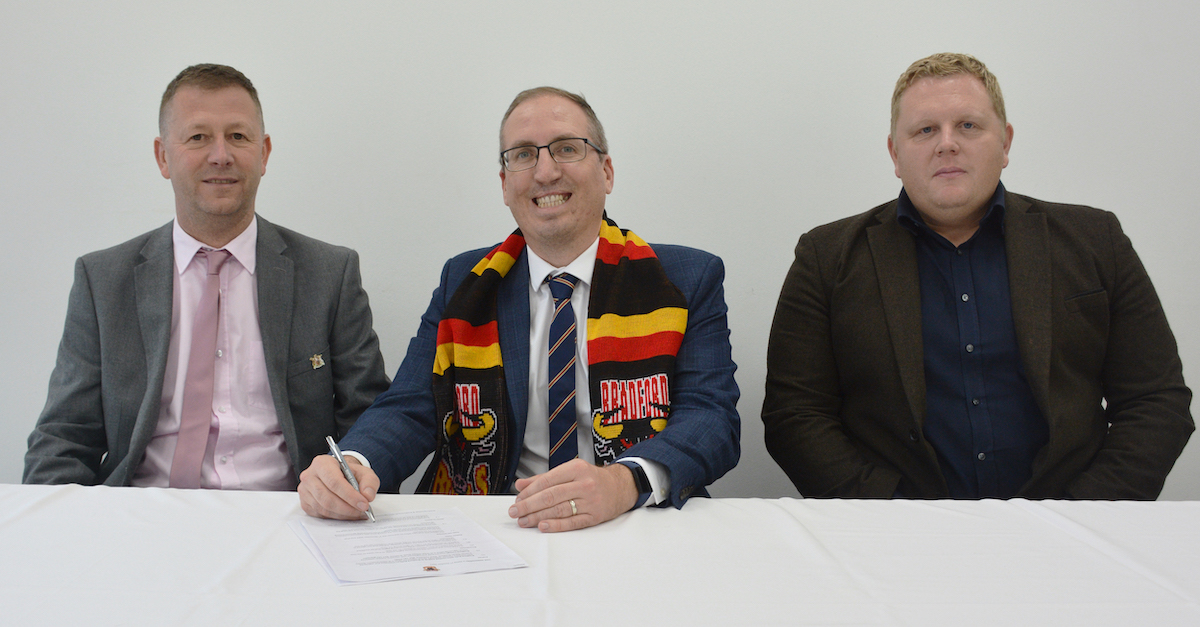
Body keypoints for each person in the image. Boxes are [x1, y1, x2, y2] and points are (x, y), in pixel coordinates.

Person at [299, 87, 740, 531]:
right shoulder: (466, 281)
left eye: (567, 148)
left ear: (606, 172)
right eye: (524, 155)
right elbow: (412, 405)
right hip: (497, 523)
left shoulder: (685, 278)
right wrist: (352, 462)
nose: (545, 172)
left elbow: (711, 418)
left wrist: (623, 483)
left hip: (632, 517)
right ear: (505, 185)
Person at [763, 52, 1193, 500]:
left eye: (968, 125)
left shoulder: (1095, 240)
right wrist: (892, 518)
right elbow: (796, 415)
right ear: (895, 152)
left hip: (1076, 533)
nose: (946, 143)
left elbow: (1155, 401)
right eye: (925, 129)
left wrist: (1084, 515)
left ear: (1005, 143)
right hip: (895, 538)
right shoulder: (825, 258)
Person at [24, 64, 390, 490]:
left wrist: (344, 494)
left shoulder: (329, 274)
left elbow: (369, 422)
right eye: (198, 137)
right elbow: (63, 438)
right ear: (163, 156)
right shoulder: (103, 280)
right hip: (142, 513)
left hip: (286, 514)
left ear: (264, 152)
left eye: (238, 136)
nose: (221, 155)